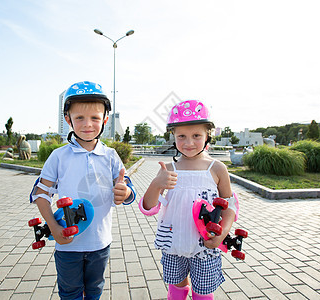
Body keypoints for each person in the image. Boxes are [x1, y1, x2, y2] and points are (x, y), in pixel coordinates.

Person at [30, 81, 136, 300]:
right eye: (79, 118)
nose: (88, 124)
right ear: (68, 120)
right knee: (70, 293)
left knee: (95, 289)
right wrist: (54, 228)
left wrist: (124, 193)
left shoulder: (111, 156)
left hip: (100, 243)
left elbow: (128, 189)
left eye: (95, 118)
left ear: (105, 120)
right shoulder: (59, 156)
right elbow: (40, 194)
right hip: (68, 244)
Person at [139, 100, 239, 300]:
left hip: (206, 244)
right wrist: (157, 183)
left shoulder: (217, 168)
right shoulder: (169, 169)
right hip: (173, 242)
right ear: (173, 136)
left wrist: (222, 234)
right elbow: (148, 206)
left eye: (196, 136)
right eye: (181, 136)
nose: (189, 143)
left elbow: (229, 206)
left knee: (203, 292)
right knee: (176, 287)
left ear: (207, 135)